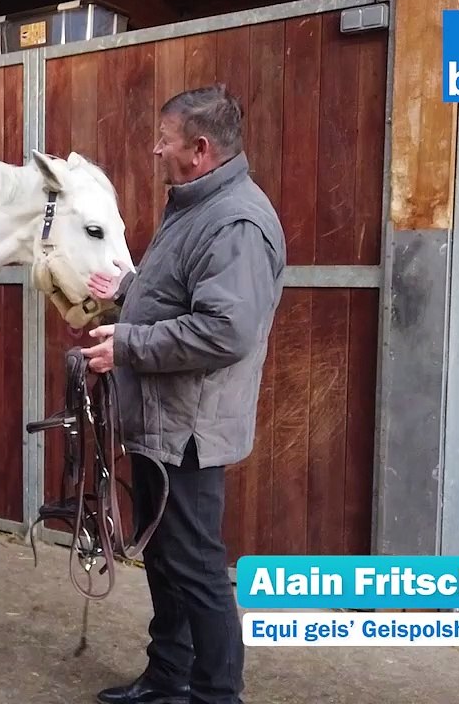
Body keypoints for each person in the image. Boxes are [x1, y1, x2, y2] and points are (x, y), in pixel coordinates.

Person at [79, 83, 286, 704]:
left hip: (189, 430)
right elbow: (184, 294)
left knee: (197, 570)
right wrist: (129, 288)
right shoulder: (196, 206)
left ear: (199, 148)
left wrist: (128, 345)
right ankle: (168, 677)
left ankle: (218, 695)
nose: (154, 149)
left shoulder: (237, 221)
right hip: (159, 422)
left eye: (163, 141)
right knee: (167, 563)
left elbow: (227, 329)